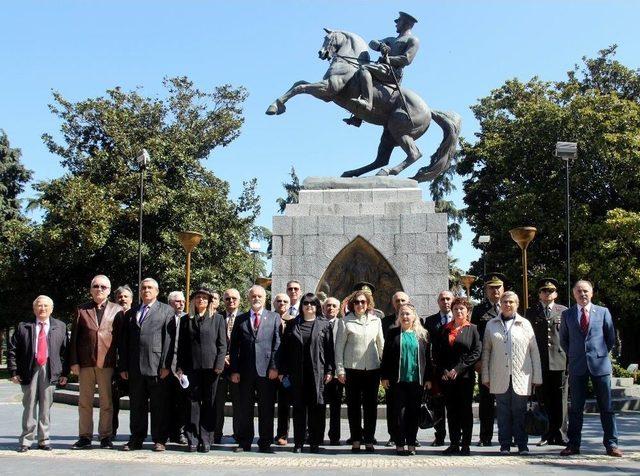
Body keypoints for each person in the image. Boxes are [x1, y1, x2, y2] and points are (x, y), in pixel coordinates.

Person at [559, 280, 622, 457]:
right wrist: (575, 354)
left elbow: (610, 339)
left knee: (606, 407)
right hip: (577, 366)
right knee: (576, 408)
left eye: (586, 291)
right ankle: (573, 445)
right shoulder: (567, 315)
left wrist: (599, 354)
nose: (582, 294)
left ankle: (611, 444)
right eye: (579, 291)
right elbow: (564, 340)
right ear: (574, 294)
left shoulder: (603, 312)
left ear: (592, 293)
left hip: (600, 365)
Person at [482, 291, 542, 455]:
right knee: (502, 413)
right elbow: (486, 351)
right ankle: (505, 445)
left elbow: (534, 351)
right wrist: (485, 375)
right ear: (500, 304)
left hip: (521, 376)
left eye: (511, 302)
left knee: (519, 412)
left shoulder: (525, 324)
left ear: (517, 304)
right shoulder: (491, 324)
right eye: (505, 302)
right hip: (499, 375)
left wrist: (537, 376)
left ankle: (522, 444)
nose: (508, 305)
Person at [118, 278, 175, 452]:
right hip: (135, 367)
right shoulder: (131, 312)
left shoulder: (167, 310)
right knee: (137, 405)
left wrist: (166, 365)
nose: (146, 290)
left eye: (150, 287)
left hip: (157, 366)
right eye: (143, 288)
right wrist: (124, 366)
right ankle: (136, 438)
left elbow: (170, 340)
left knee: (159, 405)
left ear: (157, 291)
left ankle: (159, 439)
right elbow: (124, 342)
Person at [69, 275, 124, 450]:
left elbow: (122, 341)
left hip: (107, 363)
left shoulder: (118, 310)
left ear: (109, 291)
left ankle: (105, 436)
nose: (99, 289)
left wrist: (121, 364)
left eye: (103, 287)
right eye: (96, 286)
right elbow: (74, 339)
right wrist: (74, 362)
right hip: (85, 363)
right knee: (84, 402)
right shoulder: (81, 310)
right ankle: (85, 437)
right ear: (91, 289)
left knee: (107, 402)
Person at [9, 295, 69, 452]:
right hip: (30, 368)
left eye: (46, 306)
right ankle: (26, 440)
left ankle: (44, 439)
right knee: (29, 405)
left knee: (45, 406)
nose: (42, 308)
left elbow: (65, 352)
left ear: (51, 309)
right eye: (39, 306)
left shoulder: (60, 326)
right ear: (34, 308)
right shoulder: (24, 326)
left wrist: (65, 372)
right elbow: (13, 350)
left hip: (49, 368)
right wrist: (14, 371)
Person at [279, 293, 334, 453]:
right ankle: (298, 442)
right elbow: (284, 350)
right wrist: (282, 370)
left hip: (317, 372)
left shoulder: (324, 324)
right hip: (297, 373)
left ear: (317, 306)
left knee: (316, 407)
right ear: (301, 306)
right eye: (306, 303)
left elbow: (330, 350)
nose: (309, 306)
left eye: (312, 303)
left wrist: (330, 370)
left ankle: (315, 442)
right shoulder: (292, 324)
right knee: (298, 408)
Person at [229, 285, 281, 453]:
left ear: (265, 298)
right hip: (245, 372)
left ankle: (265, 442)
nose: (256, 298)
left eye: (259, 296)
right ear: (249, 298)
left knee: (266, 408)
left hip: (267, 372)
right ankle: (245, 442)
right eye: (253, 296)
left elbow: (277, 344)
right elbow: (234, 348)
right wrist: (234, 370)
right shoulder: (240, 319)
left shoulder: (274, 318)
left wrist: (274, 367)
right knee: (245, 408)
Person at [346, 11, 420, 127]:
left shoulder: (412, 40)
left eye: (398, 21)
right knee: (362, 77)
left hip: (393, 72)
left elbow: (407, 59)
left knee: (364, 69)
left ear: (405, 23)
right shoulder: (391, 40)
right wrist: (381, 45)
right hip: (383, 68)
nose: (396, 24)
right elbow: (372, 43)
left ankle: (368, 102)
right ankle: (358, 116)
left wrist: (388, 60)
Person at [176, 286, 227, 453]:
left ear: (210, 301)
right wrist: (180, 368)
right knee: (192, 404)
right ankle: (193, 438)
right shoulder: (186, 320)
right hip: (191, 369)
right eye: (198, 297)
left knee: (209, 404)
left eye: (204, 298)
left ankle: (206, 439)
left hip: (212, 369)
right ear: (193, 301)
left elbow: (222, 345)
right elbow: (182, 346)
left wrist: (219, 365)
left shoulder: (218, 319)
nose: (201, 300)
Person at [335, 290, 384, 452]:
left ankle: (369, 439)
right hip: (352, 370)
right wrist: (340, 370)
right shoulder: (345, 321)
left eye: (363, 302)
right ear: (352, 304)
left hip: (372, 369)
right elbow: (339, 348)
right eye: (357, 302)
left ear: (368, 304)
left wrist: (384, 371)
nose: (360, 305)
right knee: (353, 407)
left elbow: (381, 345)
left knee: (371, 407)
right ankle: (356, 439)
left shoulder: (376, 321)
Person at [432, 297, 481, 456]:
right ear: (452, 311)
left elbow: (476, 353)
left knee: (465, 411)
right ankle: (454, 443)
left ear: (467, 311)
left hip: (465, 377)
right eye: (456, 309)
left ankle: (465, 444)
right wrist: (444, 370)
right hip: (447, 378)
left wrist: (457, 369)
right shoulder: (444, 329)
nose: (458, 312)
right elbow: (437, 353)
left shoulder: (472, 329)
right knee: (451, 411)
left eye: (462, 309)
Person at [381, 303, 431, 456]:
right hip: (398, 380)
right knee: (399, 413)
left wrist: (428, 378)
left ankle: (411, 443)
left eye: (408, 314)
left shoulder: (422, 335)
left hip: (416, 380)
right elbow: (386, 356)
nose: (405, 317)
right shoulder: (393, 333)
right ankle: (400, 443)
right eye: (402, 314)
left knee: (413, 413)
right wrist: (384, 376)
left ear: (414, 316)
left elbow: (428, 359)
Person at [525, 278, 568, 446]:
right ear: (539, 294)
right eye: (544, 291)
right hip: (540, 362)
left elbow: (568, 338)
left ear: (556, 294)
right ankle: (546, 433)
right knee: (543, 399)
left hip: (559, 361)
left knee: (561, 400)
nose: (547, 293)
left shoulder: (564, 311)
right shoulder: (531, 312)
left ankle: (561, 434)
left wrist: (569, 361)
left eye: (551, 291)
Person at [471, 272, 505, 446]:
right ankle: (485, 437)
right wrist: (477, 361)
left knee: (507, 400)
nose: (495, 291)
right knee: (486, 401)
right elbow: (476, 338)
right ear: (486, 290)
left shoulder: (509, 306)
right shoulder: (478, 310)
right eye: (491, 288)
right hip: (487, 361)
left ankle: (508, 436)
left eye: (498, 287)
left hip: (506, 361)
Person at [422, 290, 454, 447]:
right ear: (438, 302)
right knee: (438, 405)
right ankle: (440, 436)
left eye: (448, 298)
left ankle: (457, 437)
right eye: (442, 299)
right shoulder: (430, 321)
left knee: (454, 407)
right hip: (437, 371)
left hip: (455, 371)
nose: (446, 301)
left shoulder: (460, 318)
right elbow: (427, 349)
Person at [381, 291, 410, 447]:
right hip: (393, 373)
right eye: (397, 300)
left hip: (411, 373)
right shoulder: (385, 322)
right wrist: (384, 375)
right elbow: (384, 351)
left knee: (411, 406)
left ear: (408, 302)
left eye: (403, 300)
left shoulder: (418, 322)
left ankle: (411, 436)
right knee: (393, 406)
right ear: (393, 303)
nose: (400, 303)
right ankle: (393, 435)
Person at [213, 288, 241, 444]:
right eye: (228, 299)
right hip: (220, 366)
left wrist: (234, 358)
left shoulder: (244, 318)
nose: (231, 301)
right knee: (218, 403)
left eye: (234, 298)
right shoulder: (217, 318)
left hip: (237, 368)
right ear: (223, 301)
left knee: (238, 403)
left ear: (239, 300)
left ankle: (238, 433)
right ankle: (216, 434)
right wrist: (222, 357)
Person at [112, 285, 133, 439]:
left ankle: (136, 434)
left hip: (134, 367)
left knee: (137, 402)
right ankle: (110, 432)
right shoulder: (110, 315)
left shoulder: (137, 315)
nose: (123, 299)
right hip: (114, 365)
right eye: (120, 296)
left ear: (131, 299)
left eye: (126, 296)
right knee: (112, 402)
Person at [167, 290, 188, 445]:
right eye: (178, 301)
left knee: (182, 401)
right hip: (166, 365)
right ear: (170, 303)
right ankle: (167, 431)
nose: (181, 304)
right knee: (167, 401)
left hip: (183, 366)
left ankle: (181, 432)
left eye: (183, 301)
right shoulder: (165, 318)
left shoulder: (188, 318)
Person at [272, 292, 294, 445]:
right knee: (266, 403)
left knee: (284, 404)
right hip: (268, 369)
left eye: (285, 301)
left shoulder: (293, 321)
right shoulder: (268, 318)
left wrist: (283, 371)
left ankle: (282, 434)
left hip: (285, 371)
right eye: (278, 301)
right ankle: (266, 434)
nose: (281, 303)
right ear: (274, 303)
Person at [322, 297, 344, 445]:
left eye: (334, 306)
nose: (330, 308)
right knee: (319, 406)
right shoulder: (317, 324)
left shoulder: (343, 324)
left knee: (336, 407)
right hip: (321, 372)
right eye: (328, 305)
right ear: (323, 308)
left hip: (337, 373)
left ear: (338, 308)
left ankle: (334, 437)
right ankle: (316, 435)